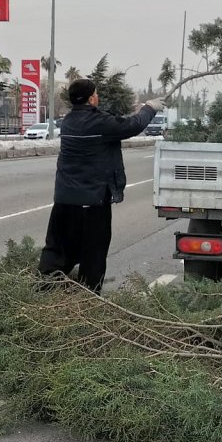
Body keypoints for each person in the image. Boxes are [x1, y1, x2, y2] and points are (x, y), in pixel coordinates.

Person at [37, 79, 164, 293]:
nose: (98, 96)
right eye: (95, 93)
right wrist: (149, 108)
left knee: (57, 250)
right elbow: (132, 125)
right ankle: (89, 303)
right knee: (93, 255)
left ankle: (41, 294)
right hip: (92, 203)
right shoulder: (99, 123)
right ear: (90, 98)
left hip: (64, 201)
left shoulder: (68, 121)